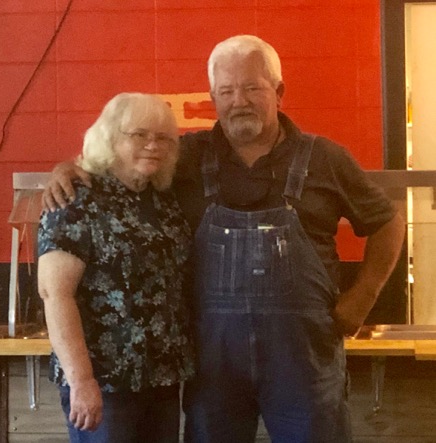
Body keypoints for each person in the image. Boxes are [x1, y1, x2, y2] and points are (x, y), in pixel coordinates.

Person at [42, 35, 405, 443]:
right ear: (213, 97)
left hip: (304, 359)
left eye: (252, 88)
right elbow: (122, 164)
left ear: (279, 92)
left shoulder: (326, 158)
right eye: (227, 91)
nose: (239, 101)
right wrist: (69, 169)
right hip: (212, 364)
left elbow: (388, 221)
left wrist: (364, 296)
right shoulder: (185, 156)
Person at [38, 92, 194, 443]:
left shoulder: (165, 201)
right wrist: (81, 381)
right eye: (139, 134)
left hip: (161, 379)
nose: (153, 145)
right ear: (109, 137)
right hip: (104, 384)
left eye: (163, 138)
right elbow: (54, 293)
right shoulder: (76, 199)